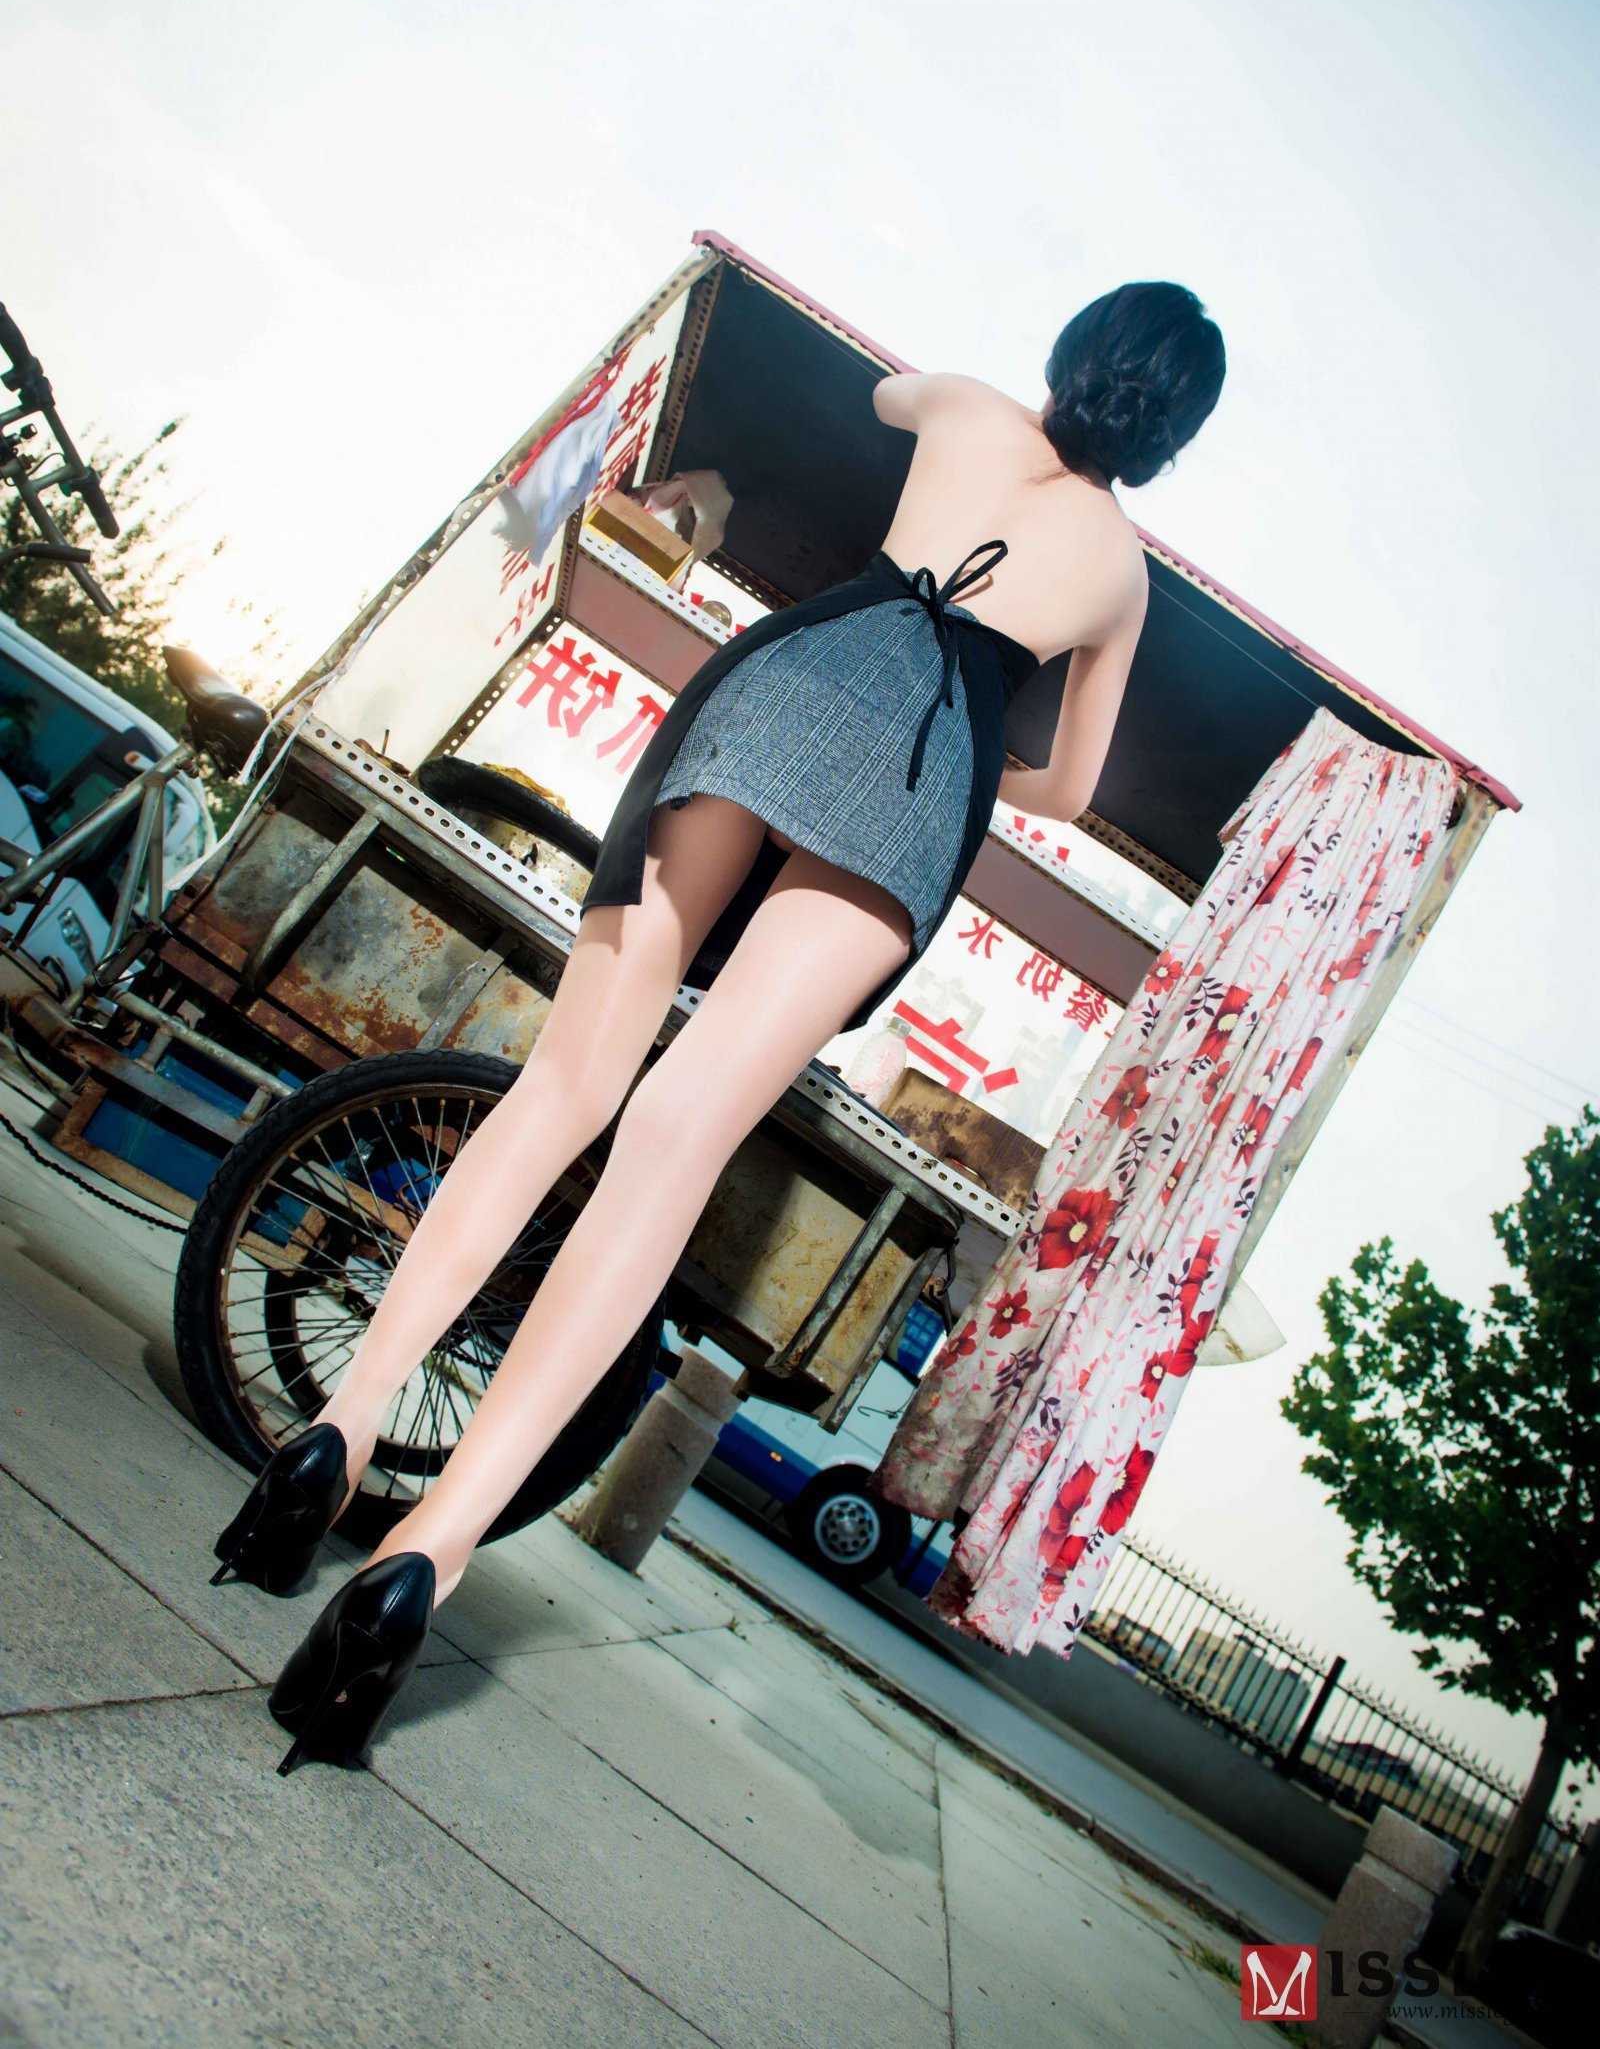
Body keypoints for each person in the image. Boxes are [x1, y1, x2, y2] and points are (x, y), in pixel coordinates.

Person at [212, 279, 1226, 1775]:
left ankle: (342, 1430)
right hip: (923, 776)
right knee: (671, 1151)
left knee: (565, 1086)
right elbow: (1068, 793)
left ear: (1077, 353)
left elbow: (874, 400)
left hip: (793, 681)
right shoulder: (1124, 576)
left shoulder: (961, 405)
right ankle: (429, 1549)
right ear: (1179, 431)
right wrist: (963, 758)